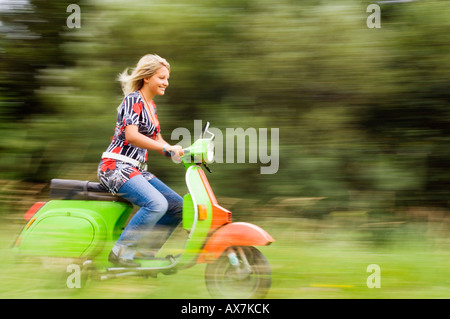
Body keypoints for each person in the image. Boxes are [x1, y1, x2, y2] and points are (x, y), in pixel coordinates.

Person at [97, 54, 183, 267]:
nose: (166, 83)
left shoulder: (151, 106)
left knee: (177, 206)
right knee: (156, 203)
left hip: (136, 169)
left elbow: (156, 139)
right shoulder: (133, 100)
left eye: (168, 78)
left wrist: (174, 150)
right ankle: (120, 251)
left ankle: (144, 252)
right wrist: (164, 147)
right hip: (115, 167)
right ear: (147, 77)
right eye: (162, 77)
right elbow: (132, 136)